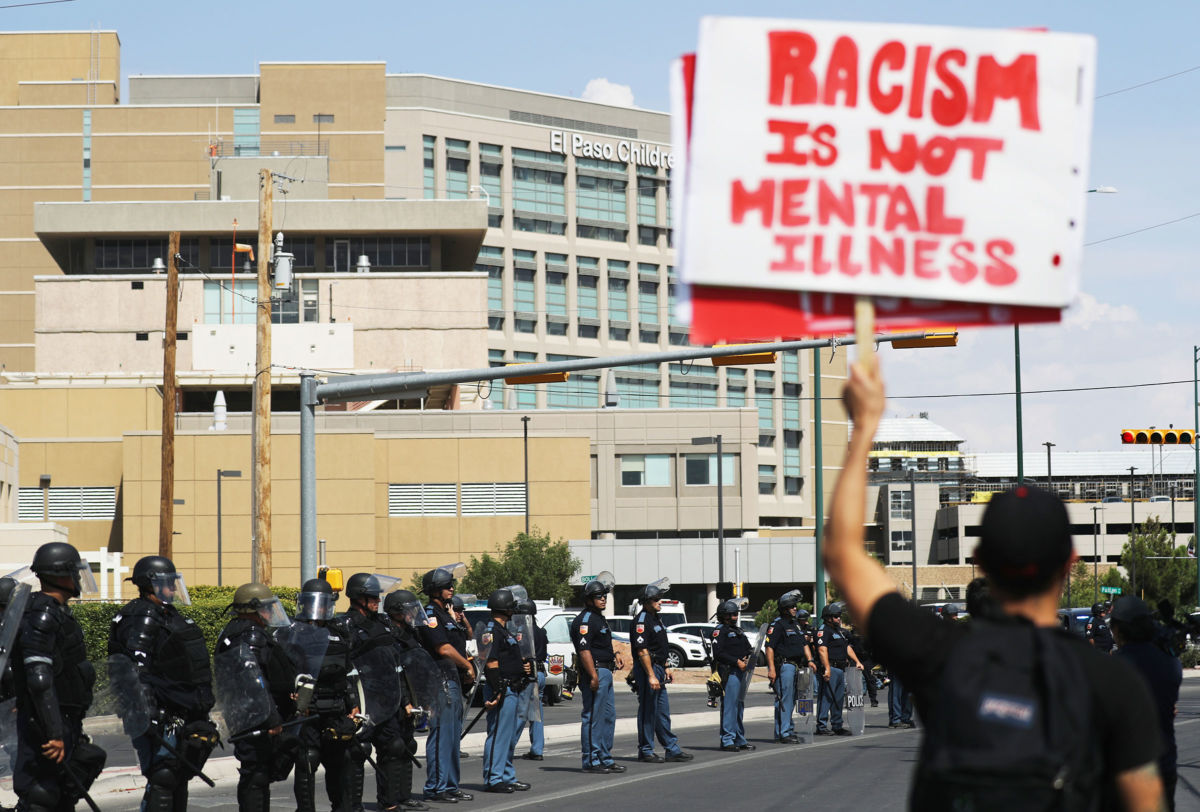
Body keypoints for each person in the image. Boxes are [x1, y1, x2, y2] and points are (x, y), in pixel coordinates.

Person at [823, 359, 1166, 811]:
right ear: (1070, 564)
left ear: (979, 562)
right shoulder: (1112, 682)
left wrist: (864, 426)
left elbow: (843, 555)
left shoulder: (940, 652)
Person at [108, 555, 218, 812]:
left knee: (179, 775)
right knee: (164, 775)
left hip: (183, 708)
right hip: (161, 713)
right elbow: (134, 670)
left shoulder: (168, 614)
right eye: (167, 583)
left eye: (172, 583)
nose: (172, 589)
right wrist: (150, 715)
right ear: (150, 585)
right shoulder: (142, 616)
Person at [11, 542, 106, 812]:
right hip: (47, 723)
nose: (78, 578)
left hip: (64, 719)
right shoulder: (43, 613)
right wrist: (54, 733)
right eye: (75, 572)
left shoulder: (57, 611)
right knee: (43, 793)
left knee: (64, 790)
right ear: (60, 575)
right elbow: (39, 678)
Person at [342, 573, 427, 812]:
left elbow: (398, 661)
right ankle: (352, 806)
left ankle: (389, 803)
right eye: (371, 597)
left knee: (394, 746)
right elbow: (343, 668)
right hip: (363, 700)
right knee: (358, 752)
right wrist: (351, 703)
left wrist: (406, 699)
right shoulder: (346, 626)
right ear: (358, 598)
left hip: (386, 699)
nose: (377, 601)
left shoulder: (382, 624)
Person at [213, 582, 298, 812]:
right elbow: (254, 682)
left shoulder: (236, 630)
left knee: (261, 771)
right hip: (255, 715)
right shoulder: (250, 635)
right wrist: (271, 718)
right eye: (266, 608)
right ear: (253, 609)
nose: (271, 613)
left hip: (246, 713)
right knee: (256, 773)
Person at [287, 578, 364, 812]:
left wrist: (353, 703)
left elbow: (348, 671)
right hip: (308, 709)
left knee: (343, 760)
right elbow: (284, 670)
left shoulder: (339, 632)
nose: (319, 608)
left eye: (324, 603)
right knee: (307, 760)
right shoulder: (292, 632)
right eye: (315, 602)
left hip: (336, 708)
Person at [1111, 597, 1182, 811]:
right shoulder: (1170, 662)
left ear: (1118, 629)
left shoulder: (1115, 667)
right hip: (1165, 764)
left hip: (1129, 771)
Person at [416, 567, 475, 803]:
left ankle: (450, 785)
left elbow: (460, 641)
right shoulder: (430, 614)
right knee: (441, 735)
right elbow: (443, 649)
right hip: (439, 681)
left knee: (452, 737)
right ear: (435, 590)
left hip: (452, 680)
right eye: (447, 586)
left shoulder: (445, 615)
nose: (452, 589)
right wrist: (467, 667)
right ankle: (435, 787)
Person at [383, 589, 436, 811]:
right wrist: (405, 700)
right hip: (396, 699)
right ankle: (389, 801)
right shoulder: (388, 636)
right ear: (396, 612)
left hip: (413, 697)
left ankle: (404, 796)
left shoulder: (410, 633)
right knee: (393, 748)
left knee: (408, 745)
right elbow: (393, 672)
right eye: (409, 609)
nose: (414, 613)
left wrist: (424, 699)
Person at [630, 580, 692, 763]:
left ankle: (671, 749)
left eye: (660, 598)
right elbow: (642, 651)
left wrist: (665, 667)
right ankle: (646, 750)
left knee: (662, 712)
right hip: (648, 669)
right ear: (647, 601)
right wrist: (650, 675)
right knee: (648, 711)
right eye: (656, 599)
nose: (660, 601)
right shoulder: (641, 622)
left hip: (658, 667)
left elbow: (659, 647)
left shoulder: (656, 619)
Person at [569, 578, 625, 774]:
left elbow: (600, 645)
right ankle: (591, 760)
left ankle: (605, 757)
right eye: (598, 596)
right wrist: (593, 676)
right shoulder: (584, 621)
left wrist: (615, 655)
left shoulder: (598, 618)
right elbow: (584, 651)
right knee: (593, 716)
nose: (603, 599)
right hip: (596, 672)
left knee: (608, 716)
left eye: (605, 596)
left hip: (606, 670)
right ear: (588, 599)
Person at [479, 588, 532, 793]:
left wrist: (523, 665)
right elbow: (491, 663)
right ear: (505, 608)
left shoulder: (504, 630)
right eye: (511, 606)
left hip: (513, 686)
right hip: (502, 688)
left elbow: (508, 658)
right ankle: (493, 778)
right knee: (498, 735)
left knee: (508, 736)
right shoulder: (491, 630)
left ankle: (507, 775)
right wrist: (497, 690)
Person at [765, 589, 816, 744]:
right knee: (784, 699)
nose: (795, 609)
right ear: (785, 608)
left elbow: (804, 643)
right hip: (785, 666)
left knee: (793, 699)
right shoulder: (777, 625)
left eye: (795, 606)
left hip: (798, 667)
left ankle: (787, 729)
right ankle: (783, 732)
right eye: (792, 606)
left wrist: (810, 660)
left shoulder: (795, 624)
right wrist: (772, 669)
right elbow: (769, 648)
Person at [814, 601, 863, 736]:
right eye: (836, 616)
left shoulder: (839, 632)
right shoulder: (823, 631)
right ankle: (821, 726)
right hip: (831, 667)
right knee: (826, 697)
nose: (839, 618)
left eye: (839, 616)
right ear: (828, 617)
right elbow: (822, 650)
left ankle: (837, 725)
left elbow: (846, 647)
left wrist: (857, 661)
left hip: (841, 669)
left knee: (838, 698)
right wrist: (827, 668)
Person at [712, 599, 754, 752]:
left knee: (739, 706)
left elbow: (748, 648)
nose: (735, 617)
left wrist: (748, 657)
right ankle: (727, 739)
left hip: (741, 672)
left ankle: (739, 739)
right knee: (730, 706)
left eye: (736, 614)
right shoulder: (720, 631)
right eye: (732, 614)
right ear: (724, 616)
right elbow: (718, 653)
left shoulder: (739, 631)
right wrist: (736, 661)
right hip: (729, 672)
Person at [514, 599, 547, 761]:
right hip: (540, 674)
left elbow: (519, 653)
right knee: (536, 714)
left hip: (528, 674)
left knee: (521, 712)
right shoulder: (541, 631)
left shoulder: (522, 631)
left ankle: (508, 745)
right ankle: (537, 749)